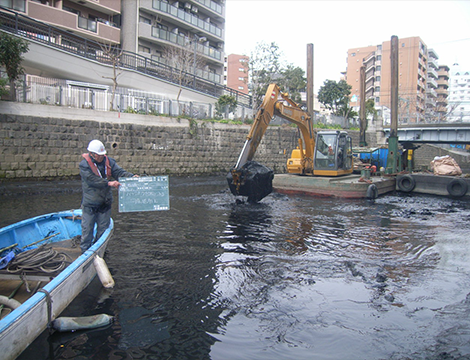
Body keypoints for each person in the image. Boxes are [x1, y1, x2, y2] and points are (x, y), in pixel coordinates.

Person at [79, 139, 137, 252]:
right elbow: (92, 180)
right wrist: (109, 183)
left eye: (102, 155)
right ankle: (84, 252)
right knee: (87, 230)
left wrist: (131, 176)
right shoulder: (84, 165)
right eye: (99, 155)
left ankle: (98, 251)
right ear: (92, 154)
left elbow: (119, 172)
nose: (101, 157)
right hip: (90, 204)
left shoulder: (109, 162)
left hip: (105, 203)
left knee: (103, 230)